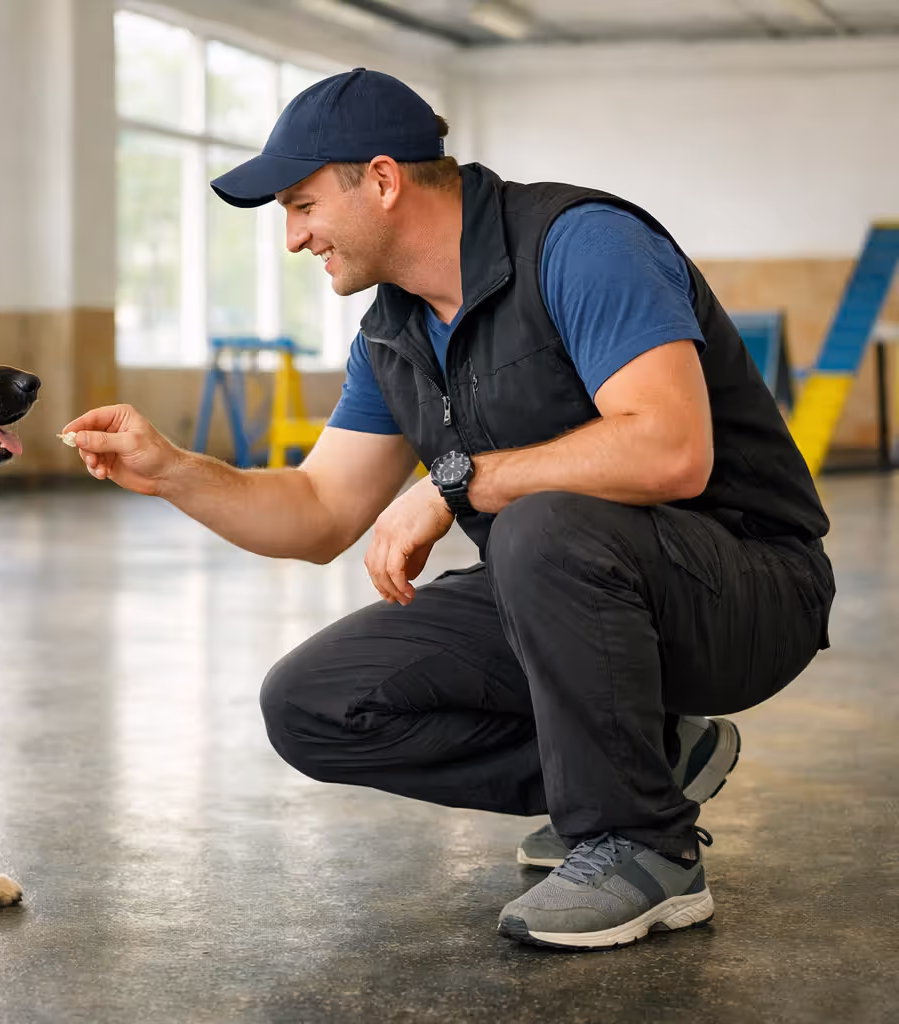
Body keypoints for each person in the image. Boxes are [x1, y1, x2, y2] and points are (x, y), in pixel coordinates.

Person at [60, 68, 835, 950]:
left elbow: (671, 446)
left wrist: (458, 480)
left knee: (543, 521)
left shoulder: (581, 245)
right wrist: (173, 471)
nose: (293, 237)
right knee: (315, 702)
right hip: (569, 590)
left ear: (383, 180)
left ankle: (642, 848)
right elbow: (319, 510)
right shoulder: (392, 331)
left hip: (747, 587)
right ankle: (652, 761)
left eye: (304, 204)